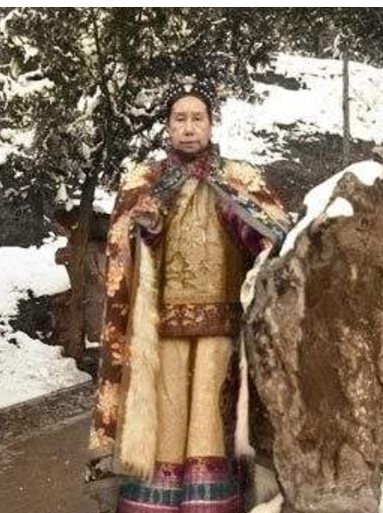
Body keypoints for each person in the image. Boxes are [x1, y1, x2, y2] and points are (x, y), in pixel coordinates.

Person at [85, 79, 291, 513]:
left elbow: (274, 238)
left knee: (210, 421)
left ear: (212, 125)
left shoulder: (238, 177)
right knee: (165, 416)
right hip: (160, 327)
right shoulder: (146, 180)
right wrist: (147, 229)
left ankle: (209, 504)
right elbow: (124, 249)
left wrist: (239, 218)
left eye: (198, 118)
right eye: (180, 119)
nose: (189, 127)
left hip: (223, 327)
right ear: (167, 127)